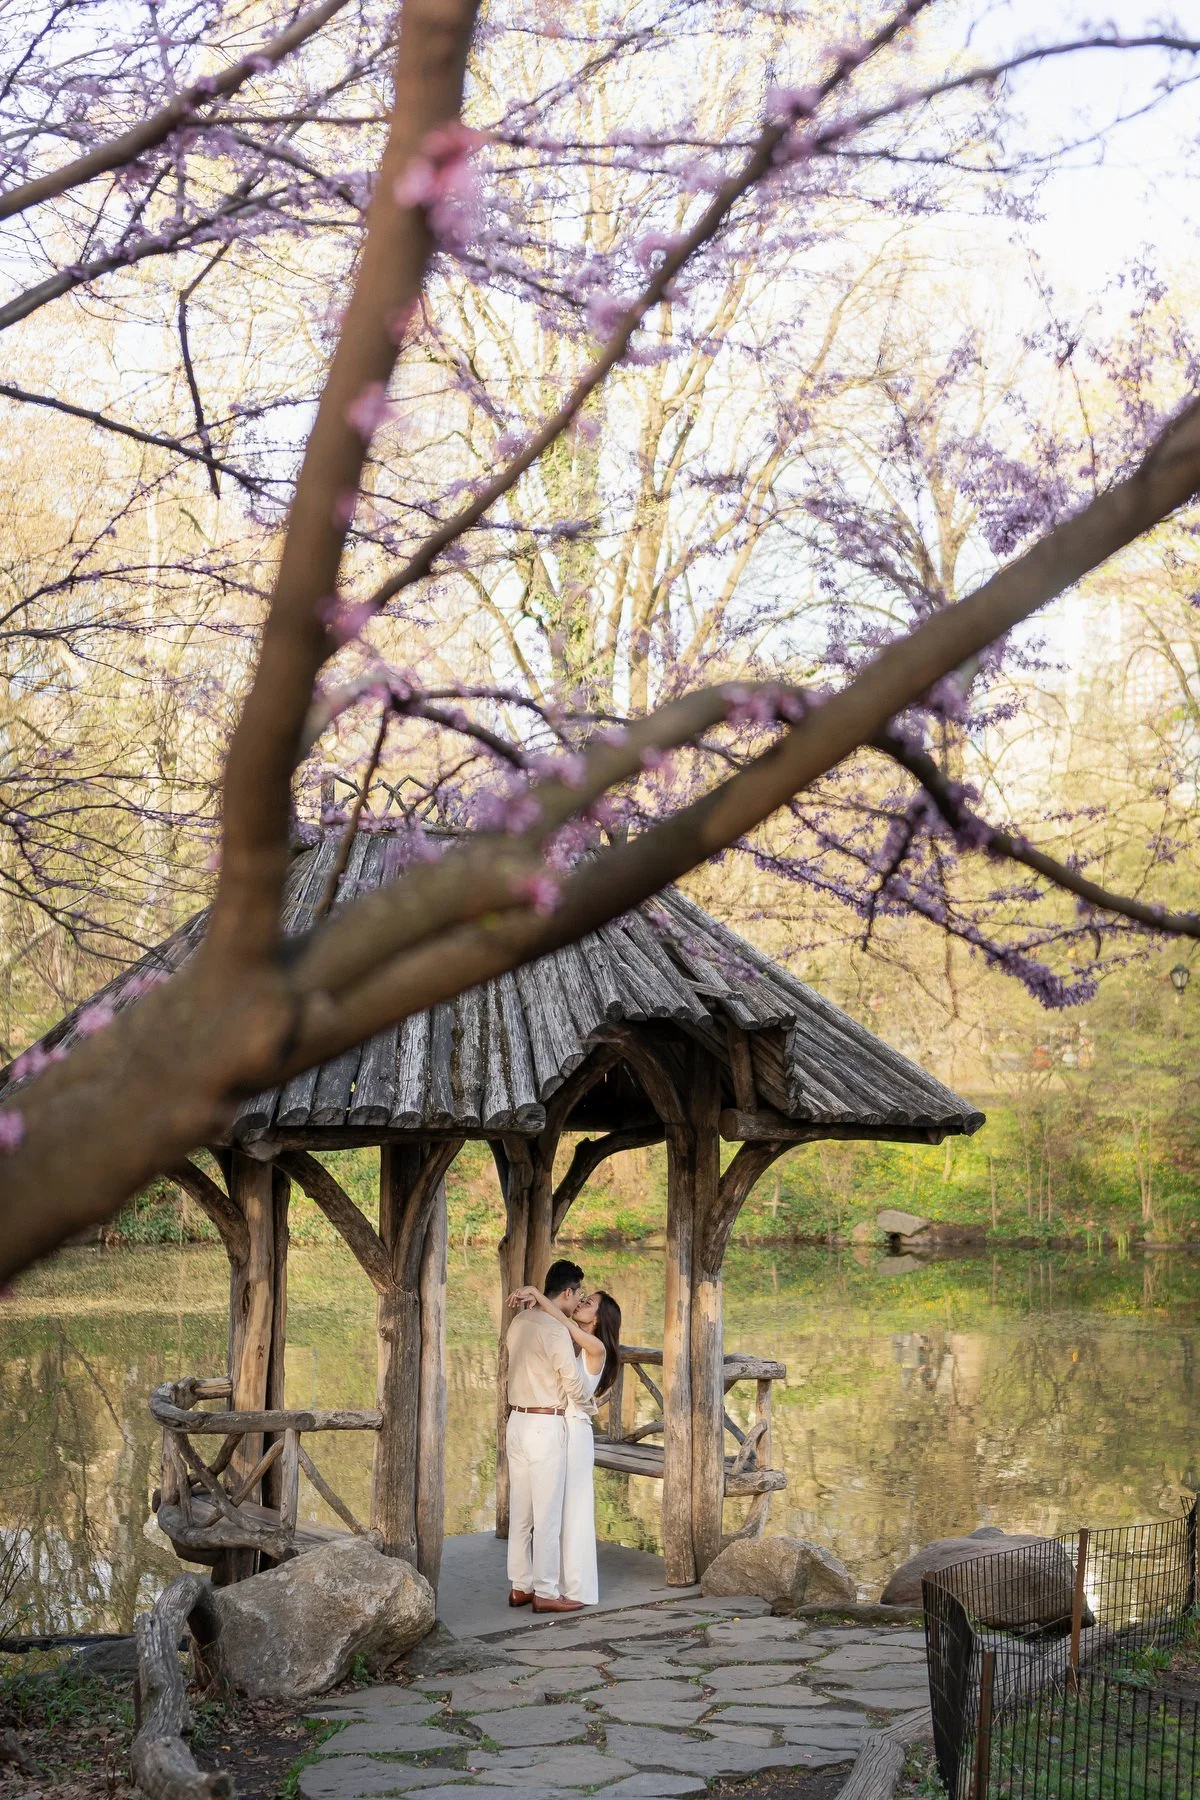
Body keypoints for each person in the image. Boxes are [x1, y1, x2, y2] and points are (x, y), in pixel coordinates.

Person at [507, 1280, 622, 1606]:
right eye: (583, 1299)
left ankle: (572, 1586)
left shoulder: (595, 1347)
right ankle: (545, 1584)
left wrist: (537, 1295)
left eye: (589, 1304)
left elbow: (564, 1323)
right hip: (557, 1428)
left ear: (599, 1320)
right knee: (551, 1509)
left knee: (571, 1510)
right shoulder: (573, 1344)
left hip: (574, 1432)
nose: (582, 1304)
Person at [503, 1257, 591, 1613]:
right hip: (544, 1423)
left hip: (516, 1422)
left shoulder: (519, 1322)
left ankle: (519, 1586)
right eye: (578, 1294)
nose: (578, 1302)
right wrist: (589, 1401)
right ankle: (546, 1591)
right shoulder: (555, 1331)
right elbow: (572, 1381)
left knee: (521, 1512)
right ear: (567, 1293)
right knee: (548, 1514)